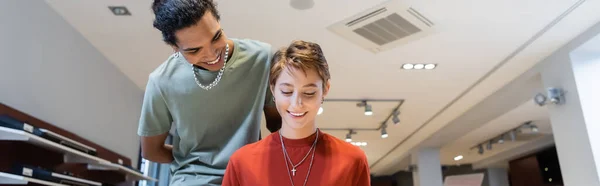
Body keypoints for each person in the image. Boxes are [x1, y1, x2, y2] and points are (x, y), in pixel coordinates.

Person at [137, 0, 281, 185]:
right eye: (194, 50)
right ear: (175, 48)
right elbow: (151, 151)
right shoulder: (161, 81)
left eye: (216, 37)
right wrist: (191, 162)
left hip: (248, 177)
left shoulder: (262, 58)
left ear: (219, 22)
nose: (212, 54)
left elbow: (278, 125)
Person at [222, 40, 371, 186]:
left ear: (325, 89)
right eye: (287, 91)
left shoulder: (352, 160)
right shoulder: (242, 162)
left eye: (309, 93)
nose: (296, 103)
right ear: (273, 89)